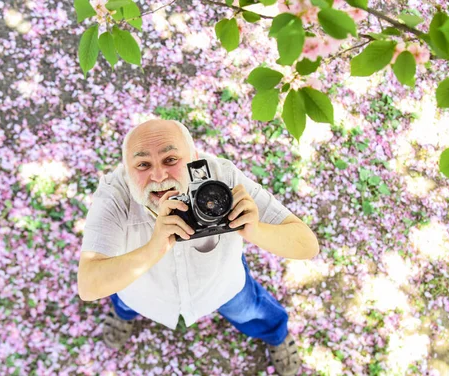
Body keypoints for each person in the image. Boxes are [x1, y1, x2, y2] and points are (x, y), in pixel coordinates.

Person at [78, 118, 319, 376]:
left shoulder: (223, 177)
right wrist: (155, 246)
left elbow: (307, 244)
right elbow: (89, 285)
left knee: (252, 311)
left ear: (194, 158)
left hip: (221, 286)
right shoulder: (114, 194)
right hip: (142, 290)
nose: (158, 176)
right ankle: (123, 316)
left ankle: (276, 336)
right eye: (143, 164)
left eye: (171, 160)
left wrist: (255, 229)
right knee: (125, 303)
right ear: (126, 170)